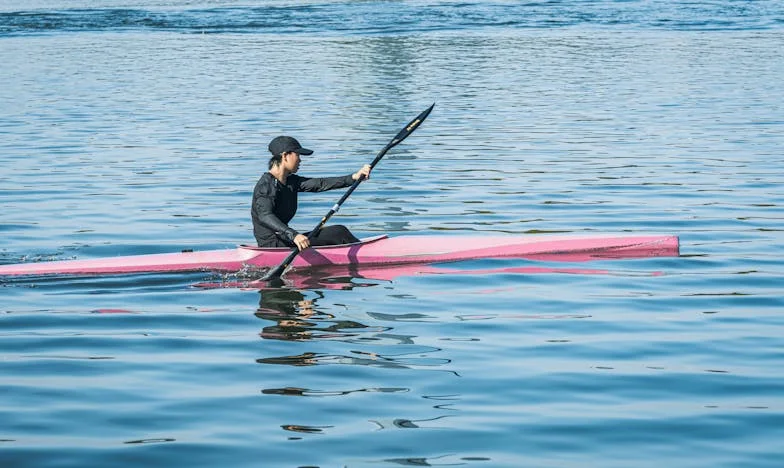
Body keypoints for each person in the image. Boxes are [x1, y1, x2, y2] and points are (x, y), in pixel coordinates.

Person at [251, 136, 371, 250]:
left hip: (285, 239)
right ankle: (367, 253)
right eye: (297, 154)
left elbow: (320, 184)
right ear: (285, 156)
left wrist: (353, 177)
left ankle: (358, 251)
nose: (300, 160)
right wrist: (294, 235)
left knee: (337, 232)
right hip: (273, 245)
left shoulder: (291, 181)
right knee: (339, 232)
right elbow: (265, 215)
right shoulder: (266, 186)